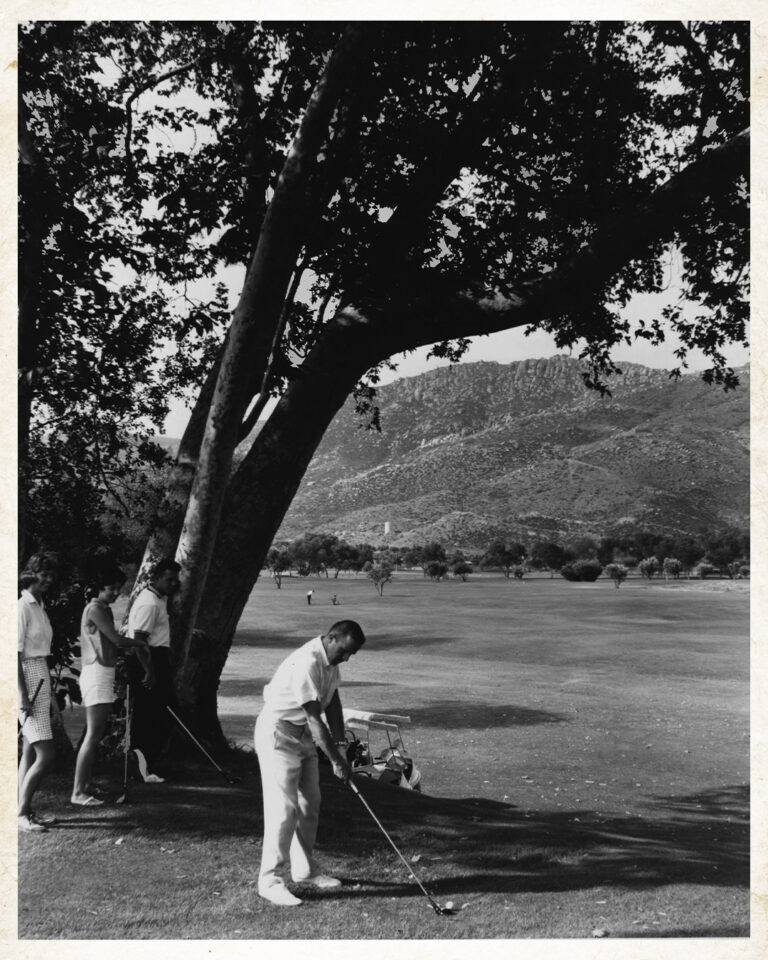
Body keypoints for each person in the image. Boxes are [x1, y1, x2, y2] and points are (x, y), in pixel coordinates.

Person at [254, 620, 366, 906]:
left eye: (351, 654)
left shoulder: (330, 663)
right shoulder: (306, 662)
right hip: (278, 733)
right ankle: (270, 881)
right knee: (283, 810)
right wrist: (337, 762)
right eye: (344, 651)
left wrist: (341, 746)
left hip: (302, 735)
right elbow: (316, 719)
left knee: (310, 803)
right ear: (331, 638)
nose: (346, 658)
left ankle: (304, 871)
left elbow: (334, 704)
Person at [71, 564, 153, 805]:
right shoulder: (95, 608)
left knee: (95, 735)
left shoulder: (104, 608)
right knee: (93, 735)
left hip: (104, 672)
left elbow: (112, 645)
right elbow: (116, 639)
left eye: (118, 589)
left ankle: (85, 785)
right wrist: (141, 645)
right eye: (110, 589)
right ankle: (77, 792)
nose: (115, 593)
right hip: (96, 673)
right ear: (99, 588)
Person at [126, 557, 181, 782]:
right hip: (147, 660)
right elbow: (139, 640)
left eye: (175, 580)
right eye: (169, 580)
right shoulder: (149, 602)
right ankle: (142, 769)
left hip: (156, 658)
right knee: (149, 717)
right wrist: (149, 671)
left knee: (160, 714)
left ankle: (146, 765)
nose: (173, 584)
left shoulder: (159, 598)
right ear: (156, 578)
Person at [18, 553, 57, 832]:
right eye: (44, 573)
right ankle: (20, 815)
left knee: (30, 751)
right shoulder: (21, 606)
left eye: (51, 575)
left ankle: (24, 810)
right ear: (31, 573)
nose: (48, 579)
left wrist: (50, 695)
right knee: (46, 755)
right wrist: (21, 696)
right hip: (27, 678)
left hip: (40, 673)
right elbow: (12, 655)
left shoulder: (40, 605)